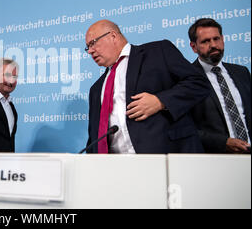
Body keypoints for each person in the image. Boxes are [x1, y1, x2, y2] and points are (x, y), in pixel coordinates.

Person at [85, 20, 209, 154]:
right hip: (117, 168)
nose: (90, 51)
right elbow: (95, 136)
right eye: (88, 47)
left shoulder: (158, 52)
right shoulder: (96, 89)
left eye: (93, 43)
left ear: (113, 36)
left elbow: (198, 83)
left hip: (165, 158)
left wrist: (160, 101)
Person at [189, 18, 251, 153]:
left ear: (222, 39)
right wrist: (223, 142)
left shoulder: (242, 72)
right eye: (205, 41)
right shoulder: (186, 78)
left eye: (216, 39)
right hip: (216, 159)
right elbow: (185, 128)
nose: (213, 45)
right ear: (194, 47)